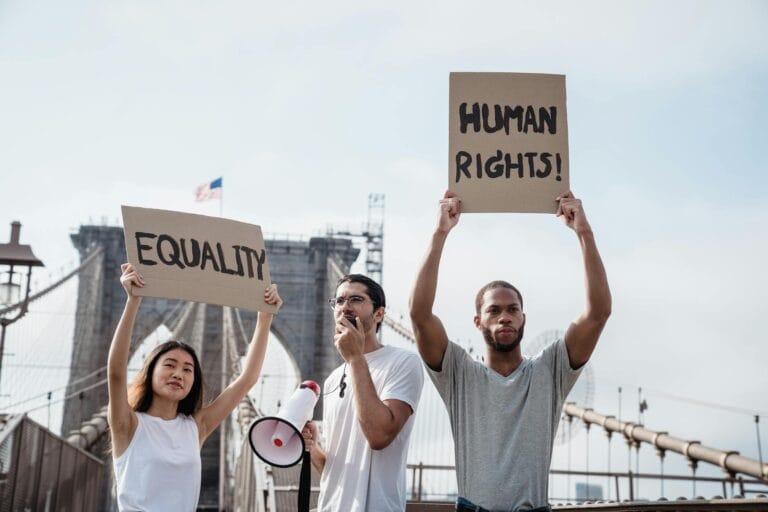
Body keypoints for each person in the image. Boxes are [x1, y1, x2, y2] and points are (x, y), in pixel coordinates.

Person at [409, 191, 611, 512]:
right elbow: (419, 315)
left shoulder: (550, 370)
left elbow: (598, 313)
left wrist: (583, 233)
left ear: (523, 318)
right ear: (478, 321)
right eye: (494, 310)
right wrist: (440, 232)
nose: (504, 316)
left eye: (512, 309)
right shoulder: (459, 373)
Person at [107, 262, 282, 511]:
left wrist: (265, 318)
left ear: (193, 382)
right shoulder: (127, 425)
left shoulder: (196, 427)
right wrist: (133, 300)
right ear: (150, 372)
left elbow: (247, 379)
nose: (178, 374)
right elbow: (116, 373)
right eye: (170, 365)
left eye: (187, 369)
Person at [302, 274, 424, 512]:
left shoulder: (403, 362)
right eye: (339, 301)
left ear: (379, 314)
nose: (345, 306)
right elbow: (334, 471)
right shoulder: (332, 380)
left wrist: (356, 358)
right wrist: (311, 447)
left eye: (356, 299)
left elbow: (379, 435)